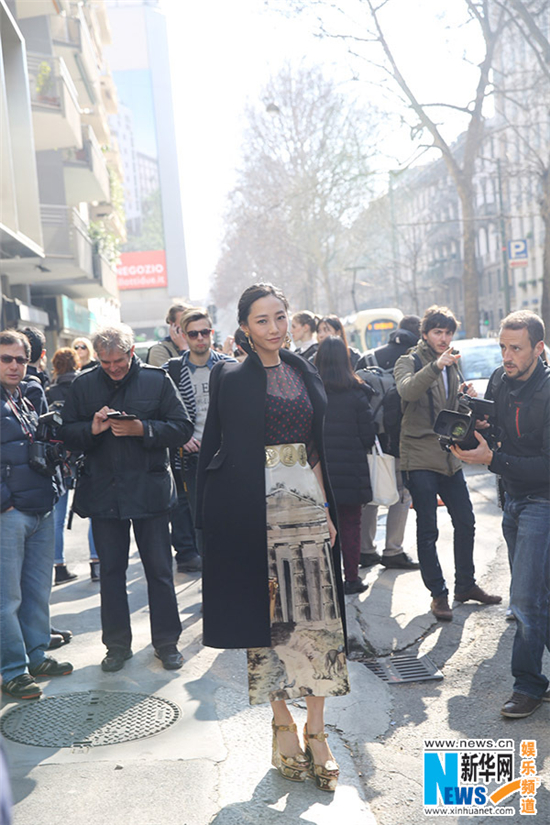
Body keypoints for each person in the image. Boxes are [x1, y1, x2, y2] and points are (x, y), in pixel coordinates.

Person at [197, 284, 349, 793]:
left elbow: (316, 447)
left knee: (318, 619)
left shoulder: (305, 369)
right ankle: (283, 722)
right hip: (251, 510)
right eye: (262, 320)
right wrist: (214, 520)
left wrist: (325, 508)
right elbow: (214, 450)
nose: (274, 327)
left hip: (305, 505)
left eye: (280, 317)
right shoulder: (231, 377)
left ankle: (318, 729)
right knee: (267, 619)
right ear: (244, 328)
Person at [60, 324, 192, 672]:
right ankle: (116, 646)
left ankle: (167, 643)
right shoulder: (84, 383)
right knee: (112, 574)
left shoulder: (157, 380)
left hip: (149, 492)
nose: (113, 367)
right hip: (104, 492)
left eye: (119, 360)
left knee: (160, 572)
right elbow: (66, 433)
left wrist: (143, 429)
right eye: (105, 362)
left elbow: (183, 427)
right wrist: (91, 428)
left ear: (132, 353)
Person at [452, 310, 550, 718]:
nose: (507, 356)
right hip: (511, 497)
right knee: (538, 597)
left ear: (539, 349)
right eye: (503, 347)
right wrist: (475, 422)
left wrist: (492, 458)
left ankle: (527, 684)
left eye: (516, 349)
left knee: (525, 600)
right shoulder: (498, 379)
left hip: (542, 501)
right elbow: (498, 435)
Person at [394, 306, 501, 621]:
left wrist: (467, 400)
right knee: (428, 529)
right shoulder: (409, 361)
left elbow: (451, 410)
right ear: (425, 333)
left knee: (466, 521)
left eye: (448, 333)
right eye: (437, 332)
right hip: (418, 455)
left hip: (449, 455)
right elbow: (407, 390)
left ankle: (465, 585)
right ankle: (438, 595)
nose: (443, 338)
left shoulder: (454, 363)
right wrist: (435, 366)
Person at [1, 329, 73, 700]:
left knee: (36, 591)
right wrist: (4, 502)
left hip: (41, 508)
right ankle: (12, 670)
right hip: (9, 514)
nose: (14, 365)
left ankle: (36, 655)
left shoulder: (26, 397)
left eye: (20, 359)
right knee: (6, 598)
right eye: (6, 358)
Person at [164, 307, 235, 569]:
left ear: (211, 332)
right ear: (183, 334)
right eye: (194, 334)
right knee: (202, 525)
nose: (200, 338)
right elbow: (163, 415)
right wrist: (180, 438)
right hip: (193, 460)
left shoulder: (230, 367)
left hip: (227, 457)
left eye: (205, 332)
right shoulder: (170, 371)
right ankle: (213, 586)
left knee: (232, 521)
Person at [358, 315, 421, 571]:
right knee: (401, 494)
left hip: (371, 438)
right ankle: (393, 550)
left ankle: (365, 550)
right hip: (402, 439)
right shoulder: (415, 360)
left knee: (369, 495)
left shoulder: (368, 357)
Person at [315, 336, 375, 593]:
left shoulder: (312, 392)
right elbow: (368, 437)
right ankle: (351, 578)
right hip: (351, 472)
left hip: (320, 474)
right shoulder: (358, 393)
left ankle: (327, 580)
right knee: (351, 526)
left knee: (323, 527)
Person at [46, 348, 100, 584]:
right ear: (76, 364)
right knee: (93, 511)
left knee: (57, 517)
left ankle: (58, 566)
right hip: (85, 454)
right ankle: (96, 562)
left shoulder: (49, 392)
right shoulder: (84, 388)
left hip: (59, 459)